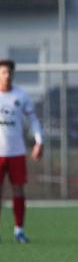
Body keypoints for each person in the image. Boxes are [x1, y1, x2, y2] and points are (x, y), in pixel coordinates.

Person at [0, 60, 43, 243]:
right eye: (3, 72)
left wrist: (39, 141)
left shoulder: (21, 95)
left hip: (17, 152)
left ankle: (19, 230)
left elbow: (33, 120)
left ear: (13, 74)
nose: (6, 75)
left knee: (18, 190)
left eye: (9, 72)